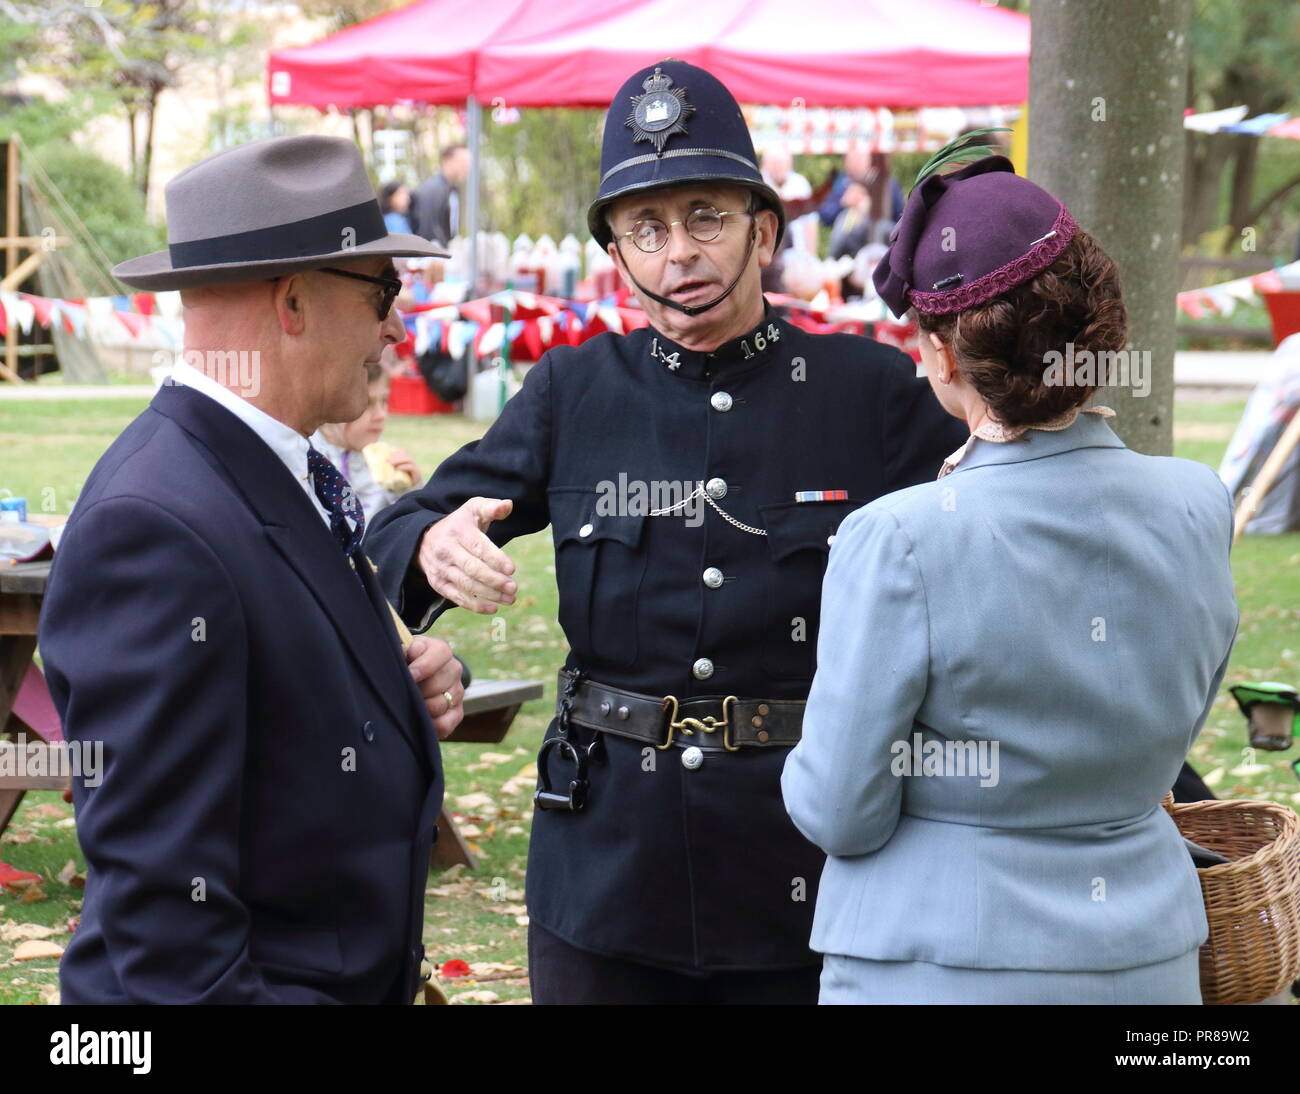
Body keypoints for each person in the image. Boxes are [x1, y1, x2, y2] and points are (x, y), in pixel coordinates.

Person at [366, 59, 968, 1005]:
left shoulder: (869, 393)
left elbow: (1011, 527)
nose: (676, 251)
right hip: (608, 869)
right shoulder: (574, 392)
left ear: (764, 232)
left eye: (706, 218)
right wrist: (432, 540)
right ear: (616, 254)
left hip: (803, 865)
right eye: (645, 228)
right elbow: (391, 534)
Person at [781, 150, 1241, 1004]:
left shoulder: (896, 537)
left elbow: (839, 807)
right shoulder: (1197, 501)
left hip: (937, 966)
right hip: (1146, 965)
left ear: (947, 357)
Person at [40, 135, 467, 1004]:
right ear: (295, 302)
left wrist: (391, 695)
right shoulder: (154, 528)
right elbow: (170, 933)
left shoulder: (272, 465)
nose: (395, 327)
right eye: (382, 291)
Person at [312, 356, 424, 525]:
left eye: (384, 402)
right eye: (367, 404)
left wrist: (412, 491)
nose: (380, 415)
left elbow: (403, 530)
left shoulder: (387, 462)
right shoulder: (308, 458)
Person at [411, 144, 470, 247]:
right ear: (446, 161)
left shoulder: (450, 189)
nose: (466, 167)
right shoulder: (434, 190)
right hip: (433, 256)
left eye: (468, 163)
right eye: (462, 162)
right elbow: (428, 231)